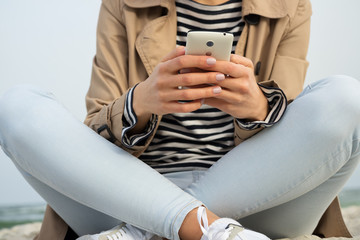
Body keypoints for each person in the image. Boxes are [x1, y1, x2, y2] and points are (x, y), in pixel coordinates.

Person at [0, 0, 359, 239]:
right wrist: (138, 102)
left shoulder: (288, 5)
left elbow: (295, 142)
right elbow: (94, 127)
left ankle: (148, 230)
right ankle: (204, 227)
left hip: (257, 200)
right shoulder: (123, 4)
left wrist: (259, 109)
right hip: (125, 193)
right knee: (15, 106)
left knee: (346, 96)